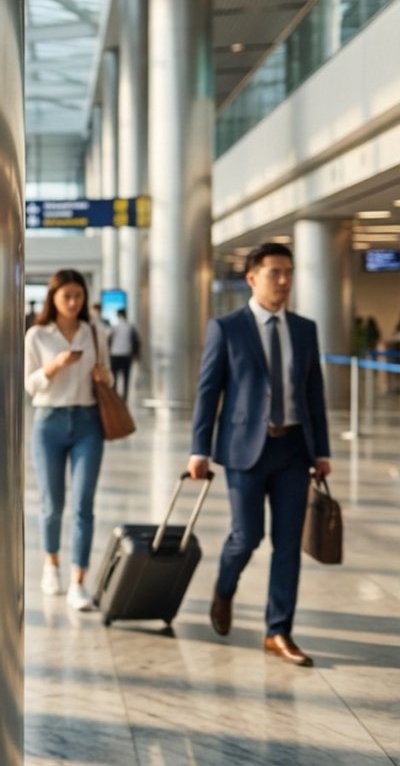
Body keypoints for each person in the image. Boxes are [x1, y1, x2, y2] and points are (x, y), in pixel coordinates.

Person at [190, 242, 331, 667]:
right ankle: (224, 586)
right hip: (243, 450)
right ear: (252, 277)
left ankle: (278, 631)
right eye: (275, 272)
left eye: (289, 272)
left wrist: (321, 450)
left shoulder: (305, 329)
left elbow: (314, 393)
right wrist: (198, 449)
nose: (284, 280)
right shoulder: (227, 327)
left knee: (287, 544)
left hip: (292, 449)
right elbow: (207, 392)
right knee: (246, 537)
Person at [24, 269, 112, 612]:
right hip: (49, 423)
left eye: (78, 296)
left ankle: (78, 581)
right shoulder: (37, 336)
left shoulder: (95, 332)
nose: (74, 303)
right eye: (67, 297)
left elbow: (108, 374)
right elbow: (30, 385)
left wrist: (104, 376)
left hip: (89, 421)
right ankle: (51, 563)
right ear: (53, 298)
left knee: (83, 506)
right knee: (51, 505)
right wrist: (55, 366)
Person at [107, 308, 140, 400]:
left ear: (118, 315)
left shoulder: (114, 327)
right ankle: (125, 397)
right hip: (126, 354)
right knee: (126, 377)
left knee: (114, 377)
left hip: (115, 354)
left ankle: (114, 396)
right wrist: (136, 355)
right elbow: (136, 341)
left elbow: (108, 340)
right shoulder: (130, 326)